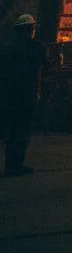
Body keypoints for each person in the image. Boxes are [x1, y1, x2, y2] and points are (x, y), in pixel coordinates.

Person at [0, 13, 47, 176]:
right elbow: (45, 65)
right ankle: (16, 164)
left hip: (8, 95)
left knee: (11, 130)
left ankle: (11, 163)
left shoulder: (8, 49)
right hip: (27, 95)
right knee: (22, 131)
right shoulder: (37, 47)